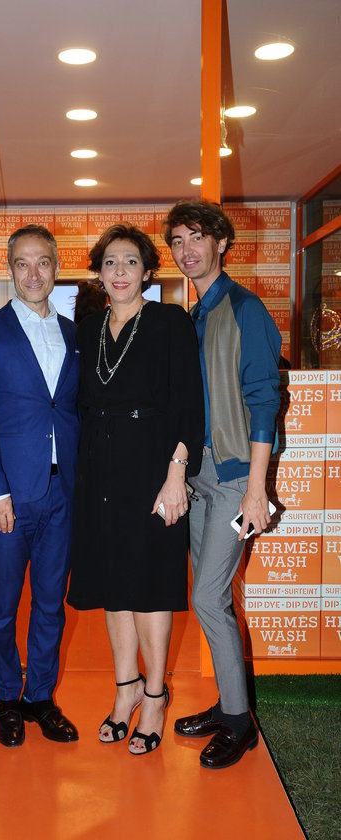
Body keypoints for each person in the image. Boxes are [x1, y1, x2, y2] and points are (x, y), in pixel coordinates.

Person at [67, 224, 204, 755]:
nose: (119, 271)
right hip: (98, 470)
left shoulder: (171, 322)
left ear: (147, 272)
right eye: (110, 262)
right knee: (113, 584)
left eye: (130, 262)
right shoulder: (87, 329)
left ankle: (154, 696)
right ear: (98, 274)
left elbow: (189, 402)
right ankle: (124, 689)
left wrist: (177, 472)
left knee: (149, 585)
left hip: (153, 468)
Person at [163, 199, 281, 769]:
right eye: (177, 241)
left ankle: (239, 722)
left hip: (235, 479)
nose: (187, 250)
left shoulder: (244, 309)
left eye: (196, 238)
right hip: (200, 479)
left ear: (221, 243)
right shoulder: (194, 315)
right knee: (210, 597)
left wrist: (257, 490)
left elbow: (264, 401)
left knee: (209, 597)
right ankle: (228, 701)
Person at [0, 224, 80, 747]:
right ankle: (6, 698)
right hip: (9, 495)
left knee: (51, 604)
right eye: (22, 263)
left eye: (43, 263)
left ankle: (40, 697)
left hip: (63, 493)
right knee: (1, 605)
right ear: (10, 269)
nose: (33, 273)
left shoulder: (77, 334)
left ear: (56, 268)